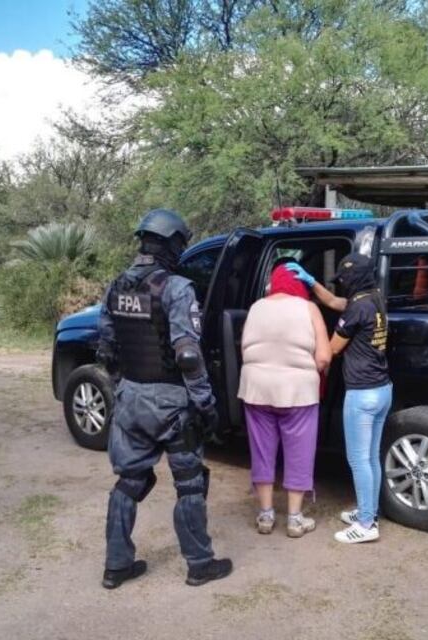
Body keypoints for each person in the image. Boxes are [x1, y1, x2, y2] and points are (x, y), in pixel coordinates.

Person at [97, 209, 232, 588]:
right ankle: (200, 564)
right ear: (172, 244)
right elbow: (187, 354)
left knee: (128, 482)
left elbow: (106, 349)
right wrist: (205, 404)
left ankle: (116, 566)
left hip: (130, 399)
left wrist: (125, 387)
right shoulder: (176, 288)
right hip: (172, 404)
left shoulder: (116, 286)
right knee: (189, 484)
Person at [238, 262, 332, 538]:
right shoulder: (309, 309)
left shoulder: (256, 307)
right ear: (300, 284)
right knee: (299, 453)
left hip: (257, 390)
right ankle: (294, 519)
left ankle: (266, 515)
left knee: (262, 451)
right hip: (298, 393)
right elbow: (324, 357)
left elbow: (245, 350)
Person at [328, 253, 392, 544]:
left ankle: (366, 525)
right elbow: (337, 302)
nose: (342, 284)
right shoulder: (376, 299)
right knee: (371, 457)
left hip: (362, 394)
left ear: (353, 279)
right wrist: (313, 285)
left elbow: (333, 348)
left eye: (343, 280)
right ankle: (369, 511)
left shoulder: (356, 308)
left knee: (358, 459)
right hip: (382, 388)